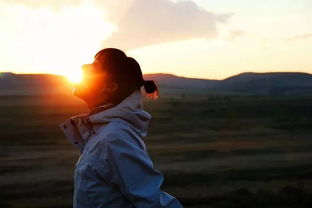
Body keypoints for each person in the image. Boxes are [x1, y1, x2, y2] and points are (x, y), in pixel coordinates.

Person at [59, 48, 183, 208]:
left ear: (110, 87)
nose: (84, 67)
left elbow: (151, 201)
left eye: (95, 66)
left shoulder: (114, 137)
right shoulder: (102, 132)